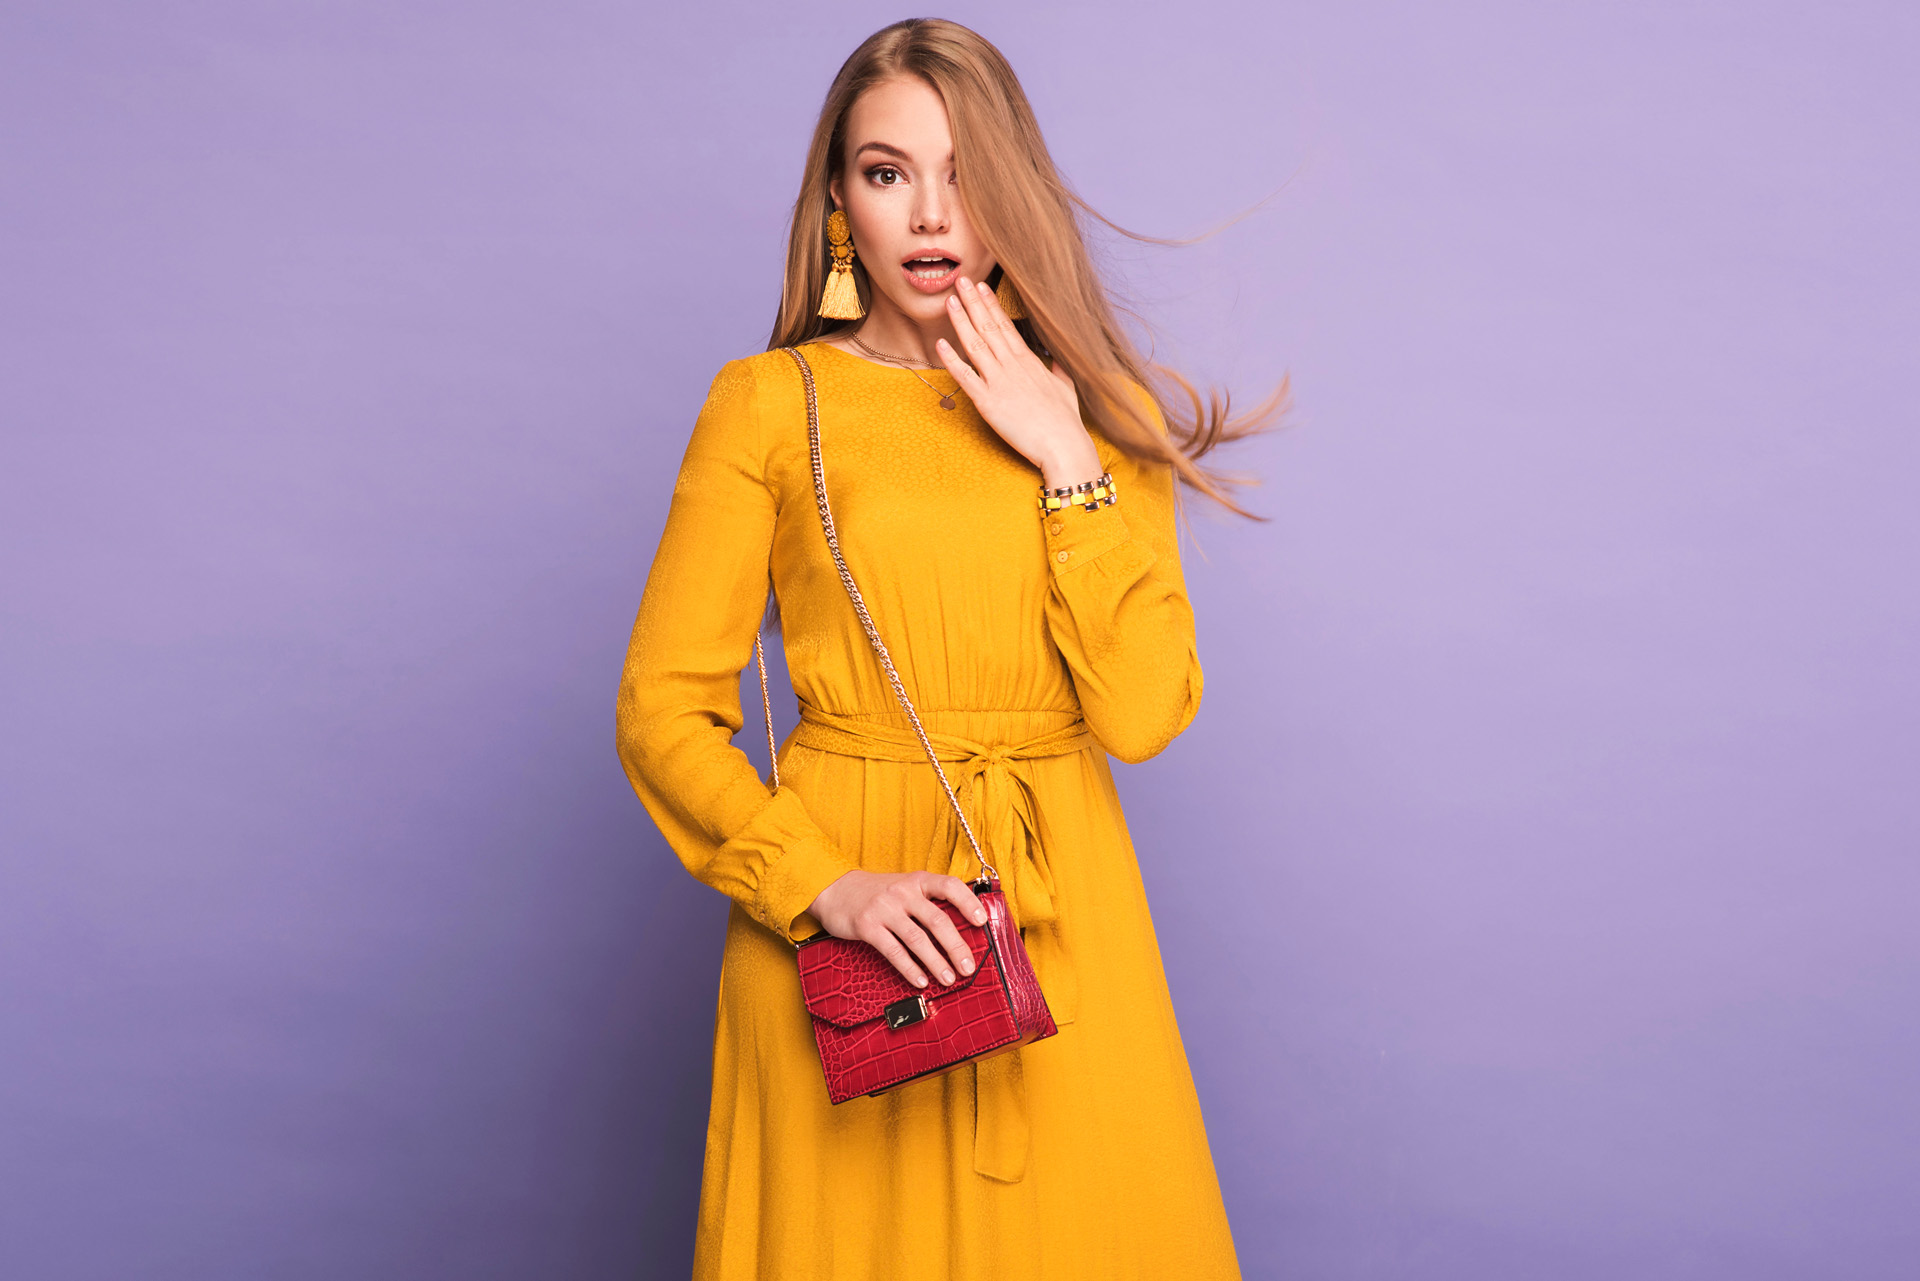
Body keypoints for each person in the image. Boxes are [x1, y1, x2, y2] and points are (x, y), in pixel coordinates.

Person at [616, 17, 1284, 1279]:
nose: (930, 214)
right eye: (888, 172)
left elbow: (1142, 713)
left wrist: (1067, 453)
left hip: (1057, 925)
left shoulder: (1103, 412)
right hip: (848, 937)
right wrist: (824, 887)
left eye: (965, 174)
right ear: (838, 202)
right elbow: (662, 708)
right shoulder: (767, 405)